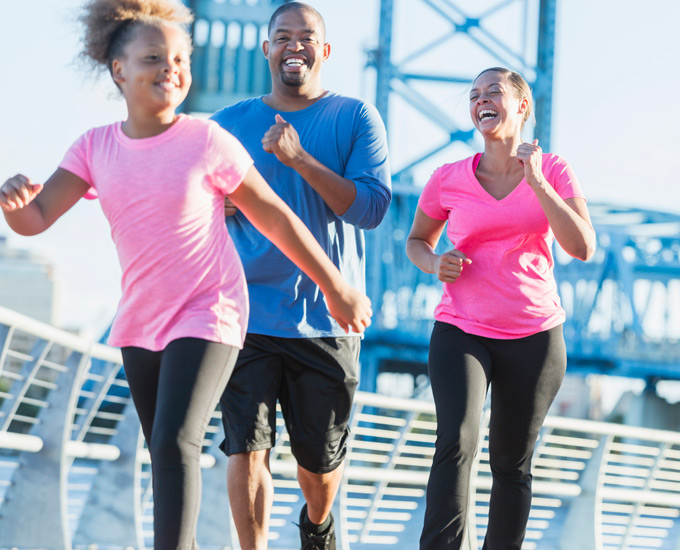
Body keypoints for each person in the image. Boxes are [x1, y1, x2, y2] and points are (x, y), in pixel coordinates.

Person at [0, 1, 371, 548]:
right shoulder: (94, 147)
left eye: (180, 59)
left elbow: (276, 217)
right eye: (154, 57)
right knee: (164, 451)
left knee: (177, 442)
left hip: (211, 311)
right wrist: (13, 202)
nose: (171, 68)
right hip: (141, 322)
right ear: (118, 69)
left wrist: (336, 286)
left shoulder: (206, 140)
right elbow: (36, 218)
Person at [211, 2, 391, 549]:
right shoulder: (229, 124)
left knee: (318, 466)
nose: (295, 46)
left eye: (306, 37)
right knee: (246, 445)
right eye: (282, 37)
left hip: (326, 319)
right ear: (267, 49)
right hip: (247, 311)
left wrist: (300, 160)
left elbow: (370, 210)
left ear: (325, 50)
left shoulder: (356, 117)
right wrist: (225, 206)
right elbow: (192, 202)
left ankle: (316, 523)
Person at [406, 67, 596, 549]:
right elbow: (416, 241)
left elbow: (582, 246)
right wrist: (434, 263)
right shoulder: (447, 178)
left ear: (522, 105)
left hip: (534, 336)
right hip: (461, 328)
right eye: (473, 95)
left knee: (512, 462)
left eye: (493, 91)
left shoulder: (552, 169)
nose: (481, 101)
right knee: (456, 440)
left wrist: (536, 182)